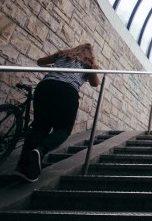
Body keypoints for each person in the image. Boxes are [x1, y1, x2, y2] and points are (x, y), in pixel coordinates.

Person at [14, 43, 100, 182]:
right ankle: (40, 150)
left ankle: (22, 168)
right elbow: (95, 83)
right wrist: (94, 66)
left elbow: (40, 62)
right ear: (91, 54)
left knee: (39, 128)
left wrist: (56, 68)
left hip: (45, 87)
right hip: (67, 92)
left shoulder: (62, 55)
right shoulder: (89, 63)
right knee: (63, 129)